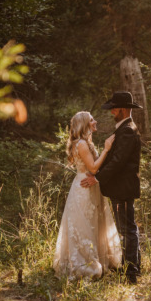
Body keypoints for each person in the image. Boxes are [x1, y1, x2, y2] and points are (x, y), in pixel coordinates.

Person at [81, 91, 142, 284]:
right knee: (128, 227)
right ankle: (133, 267)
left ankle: (131, 272)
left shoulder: (127, 130)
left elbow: (118, 161)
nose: (111, 112)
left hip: (123, 188)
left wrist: (97, 178)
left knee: (127, 229)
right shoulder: (124, 128)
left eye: (114, 108)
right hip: (120, 187)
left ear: (122, 109)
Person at [53, 111, 122, 280]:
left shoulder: (85, 142)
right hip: (84, 188)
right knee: (84, 225)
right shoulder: (82, 144)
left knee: (93, 223)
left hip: (91, 185)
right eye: (92, 120)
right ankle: (84, 265)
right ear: (84, 124)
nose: (95, 121)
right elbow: (93, 168)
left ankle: (96, 258)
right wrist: (106, 149)